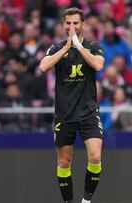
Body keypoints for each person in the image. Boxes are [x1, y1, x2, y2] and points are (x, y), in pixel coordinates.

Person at [39, 7, 105, 203]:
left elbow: (98, 65)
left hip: (88, 112)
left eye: (76, 23)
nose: (72, 27)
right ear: (63, 24)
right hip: (65, 113)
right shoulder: (56, 48)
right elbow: (43, 67)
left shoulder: (94, 46)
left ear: (83, 24)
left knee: (94, 157)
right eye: (68, 23)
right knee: (64, 161)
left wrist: (78, 46)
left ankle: (86, 200)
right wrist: (67, 47)